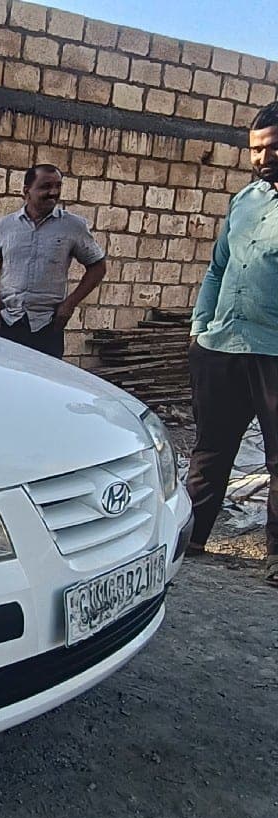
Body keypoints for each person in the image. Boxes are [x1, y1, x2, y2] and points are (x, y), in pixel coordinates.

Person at [186, 102, 278, 582]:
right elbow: (218, 266)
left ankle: (276, 557)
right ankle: (191, 536)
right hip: (222, 345)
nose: (263, 158)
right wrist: (201, 327)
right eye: (256, 150)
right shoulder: (245, 200)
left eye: (273, 147)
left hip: (274, 351)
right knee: (211, 448)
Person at [0, 164, 107, 359]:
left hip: (48, 326)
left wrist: (70, 304)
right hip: (7, 323)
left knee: (45, 385)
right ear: (26, 191)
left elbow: (97, 266)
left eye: (58, 186)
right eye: (46, 186)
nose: (54, 193)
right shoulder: (5, 226)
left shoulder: (72, 226)